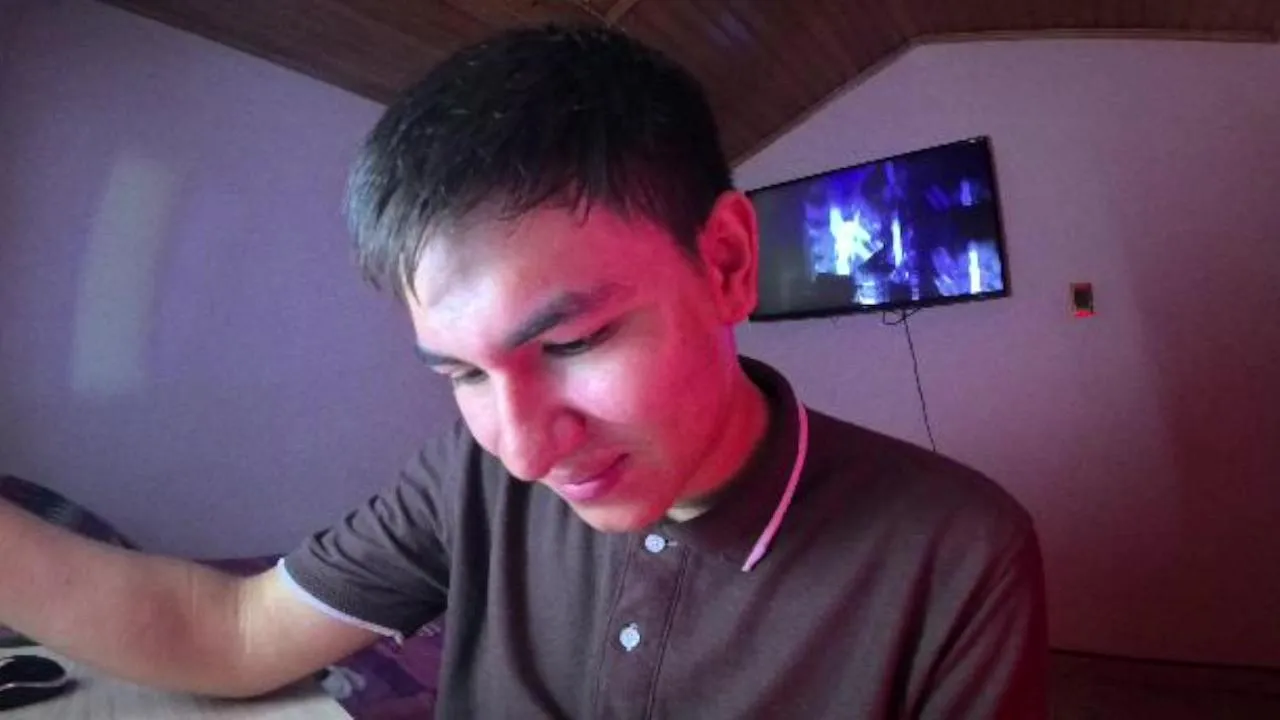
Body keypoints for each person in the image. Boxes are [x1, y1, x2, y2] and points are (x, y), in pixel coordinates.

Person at [0, 25, 1047, 719]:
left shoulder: (954, 553)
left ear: (728, 263)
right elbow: (230, 631)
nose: (526, 448)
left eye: (572, 343)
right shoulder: (471, 473)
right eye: (461, 373)